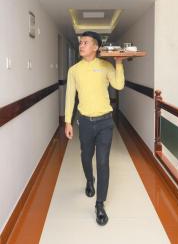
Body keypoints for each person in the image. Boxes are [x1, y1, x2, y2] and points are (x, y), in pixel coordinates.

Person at [65, 31, 125, 226]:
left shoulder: (106, 66)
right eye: (80, 42)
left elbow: (119, 84)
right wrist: (68, 121)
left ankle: (100, 204)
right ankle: (89, 180)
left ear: (96, 47)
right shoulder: (74, 70)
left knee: (102, 162)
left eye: (85, 42)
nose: (81, 45)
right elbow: (69, 97)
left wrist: (119, 63)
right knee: (85, 156)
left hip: (105, 122)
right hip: (85, 122)